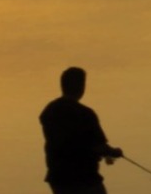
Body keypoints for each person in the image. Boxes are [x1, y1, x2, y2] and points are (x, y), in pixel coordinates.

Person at [40, 66, 123, 194]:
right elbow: (99, 146)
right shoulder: (85, 114)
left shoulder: (49, 110)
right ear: (81, 86)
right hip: (84, 178)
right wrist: (114, 152)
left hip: (58, 177)